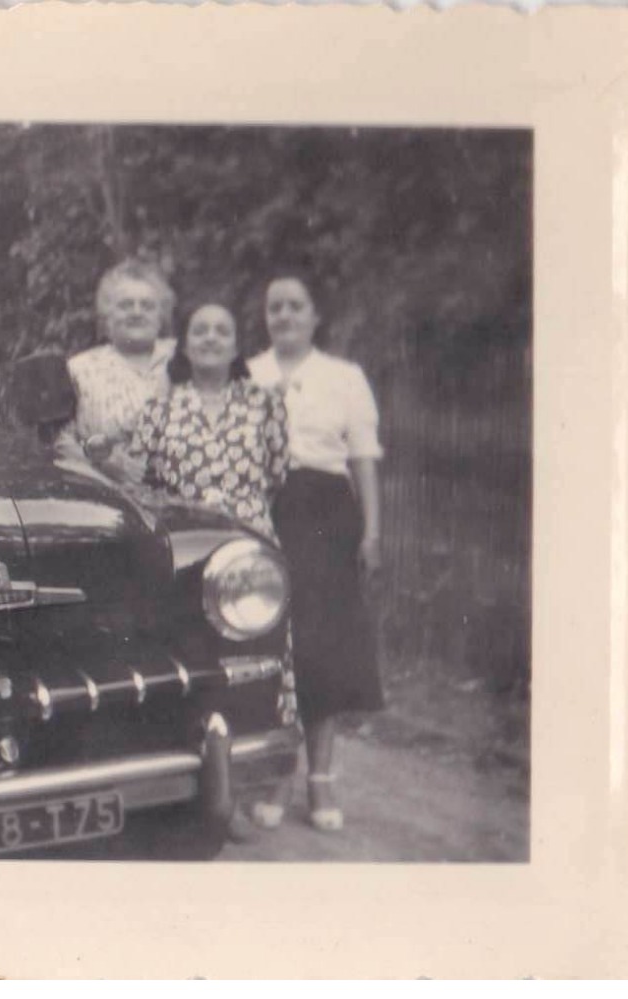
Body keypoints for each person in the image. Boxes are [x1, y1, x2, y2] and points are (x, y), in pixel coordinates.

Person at [246, 269, 385, 833]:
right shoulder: (248, 373)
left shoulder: (345, 377)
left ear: (314, 316)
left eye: (295, 306)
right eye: (275, 307)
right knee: (274, 644)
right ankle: (276, 772)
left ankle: (320, 777)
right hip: (265, 510)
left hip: (328, 516)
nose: (284, 316)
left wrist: (372, 532)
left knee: (322, 648)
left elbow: (364, 460)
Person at [122, 302, 288, 537]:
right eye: (200, 331)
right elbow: (138, 481)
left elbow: (277, 476)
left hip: (251, 538)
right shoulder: (158, 408)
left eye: (222, 331)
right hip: (184, 537)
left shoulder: (266, 403)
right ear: (186, 347)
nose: (211, 338)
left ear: (236, 348)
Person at [54, 260, 176, 479]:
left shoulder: (184, 360)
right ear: (107, 316)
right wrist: (102, 462)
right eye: (125, 305)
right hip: (108, 495)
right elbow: (60, 443)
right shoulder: (80, 369)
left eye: (147, 306)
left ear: (161, 316)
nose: (137, 313)